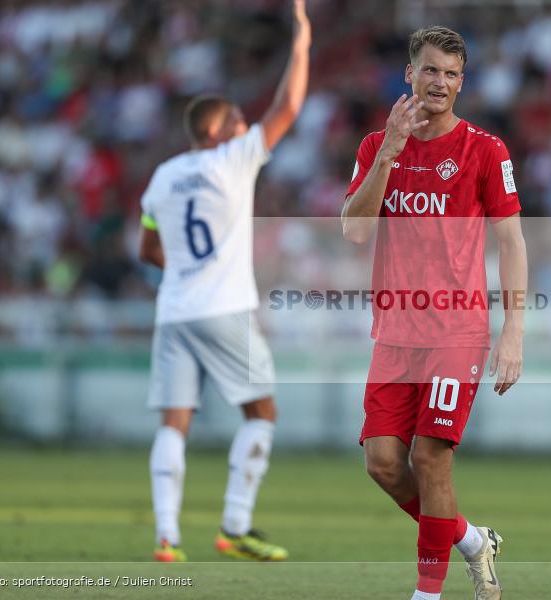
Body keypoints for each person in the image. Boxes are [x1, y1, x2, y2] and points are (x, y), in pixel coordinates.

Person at [341, 26, 527, 600]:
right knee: (383, 463)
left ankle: (428, 594)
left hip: (457, 328)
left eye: (450, 73)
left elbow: (512, 242)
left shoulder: (485, 150)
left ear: (462, 82)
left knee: (429, 454)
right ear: (408, 74)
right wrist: (391, 153)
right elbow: (353, 229)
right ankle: (471, 540)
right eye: (429, 70)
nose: (439, 82)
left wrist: (513, 330)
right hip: (395, 332)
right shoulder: (377, 147)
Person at [137, 0, 310, 563]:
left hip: (174, 311)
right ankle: (235, 525)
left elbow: (147, 248)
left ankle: (167, 536)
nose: (244, 126)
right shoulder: (230, 160)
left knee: (174, 423)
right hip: (225, 307)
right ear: (215, 130)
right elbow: (288, 105)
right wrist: (301, 42)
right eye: (237, 120)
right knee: (262, 414)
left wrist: (185, 269)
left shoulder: (161, 178)